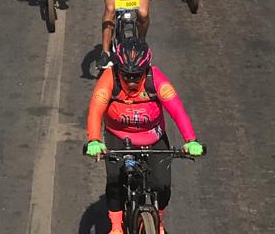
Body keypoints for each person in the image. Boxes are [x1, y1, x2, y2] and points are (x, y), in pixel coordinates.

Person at [86, 38, 203, 234]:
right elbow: (95, 111)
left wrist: (190, 140)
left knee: (163, 185)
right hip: (118, 137)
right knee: (115, 180)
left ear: (146, 70)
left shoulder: (156, 80)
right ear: (118, 71)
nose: (131, 81)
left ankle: (158, 223)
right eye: (126, 75)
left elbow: (177, 111)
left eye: (136, 75)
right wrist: (94, 140)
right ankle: (116, 226)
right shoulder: (108, 79)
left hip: (154, 137)